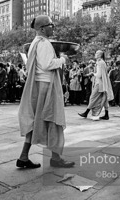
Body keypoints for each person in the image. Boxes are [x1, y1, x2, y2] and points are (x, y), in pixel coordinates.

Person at [17, 14, 75, 169]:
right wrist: (63, 59)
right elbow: (47, 64)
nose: (53, 26)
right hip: (46, 86)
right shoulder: (43, 43)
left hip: (40, 86)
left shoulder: (37, 42)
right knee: (54, 119)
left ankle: (24, 157)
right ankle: (56, 158)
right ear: (42, 28)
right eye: (51, 24)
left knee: (38, 122)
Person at [78, 50, 114, 120]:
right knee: (104, 98)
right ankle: (106, 114)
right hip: (103, 83)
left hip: (99, 83)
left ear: (100, 55)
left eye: (97, 53)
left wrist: (92, 73)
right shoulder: (103, 62)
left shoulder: (99, 62)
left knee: (92, 97)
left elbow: (99, 75)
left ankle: (86, 112)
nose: (95, 54)